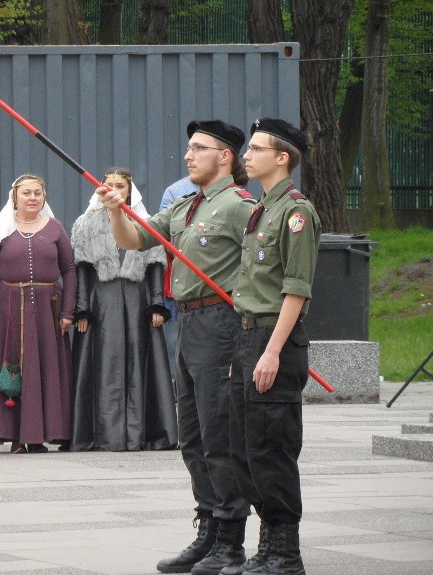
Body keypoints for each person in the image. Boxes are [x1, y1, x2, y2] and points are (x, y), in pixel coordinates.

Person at [97, 120, 256, 575]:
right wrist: (116, 210)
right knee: (193, 436)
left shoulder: (242, 207)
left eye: (199, 148)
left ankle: (230, 539)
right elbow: (134, 240)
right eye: (188, 148)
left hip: (223, 324)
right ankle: (207, 530)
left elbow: (269, 264)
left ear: (225, 156)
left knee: (219, 434)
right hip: (188, 322)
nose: (188, 155)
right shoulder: (187, 206)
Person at [226, 118, 321, 575]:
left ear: (282, 158)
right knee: (247, 448)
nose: (247, 154)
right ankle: (268, 546)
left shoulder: (295, 212)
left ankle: (286, 552)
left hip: (274, 339)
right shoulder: (262, 207)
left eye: (257, 148)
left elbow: (296, 289)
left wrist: (271, 351)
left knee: (272, 449)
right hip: (249, 335)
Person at [69, 167, 177, 452]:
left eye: (121, 185)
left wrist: (157, 304)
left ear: (130, 191)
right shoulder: (85, 224)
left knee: (141, 359)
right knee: (102, 363)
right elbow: (82, 267)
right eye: (109, 185)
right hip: (100, 301)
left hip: (137, 298)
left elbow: (156, 264)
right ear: (100, 189)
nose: (115, 189)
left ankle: (144, 432)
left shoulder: (146, 221)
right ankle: (102, 434)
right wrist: (82, 309)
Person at [0, 173, 76, 454]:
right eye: (26, 193)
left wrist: (68, 311)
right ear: (15, 197)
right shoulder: (2, 230)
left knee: (45, 369)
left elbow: (69, 270)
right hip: (9, 307)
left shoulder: (56, 228)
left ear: (44, 197)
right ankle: (16, 436)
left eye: (37, 193)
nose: (32, 198)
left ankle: (46, 433)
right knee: (15, 366)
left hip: (49, 310)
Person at [159, 176, 198, 379]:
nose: (191, 155)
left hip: (216, 289)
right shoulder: (175, 191)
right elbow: (163, 237)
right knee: (175, 342)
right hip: (179, 283)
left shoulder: (234, 191)